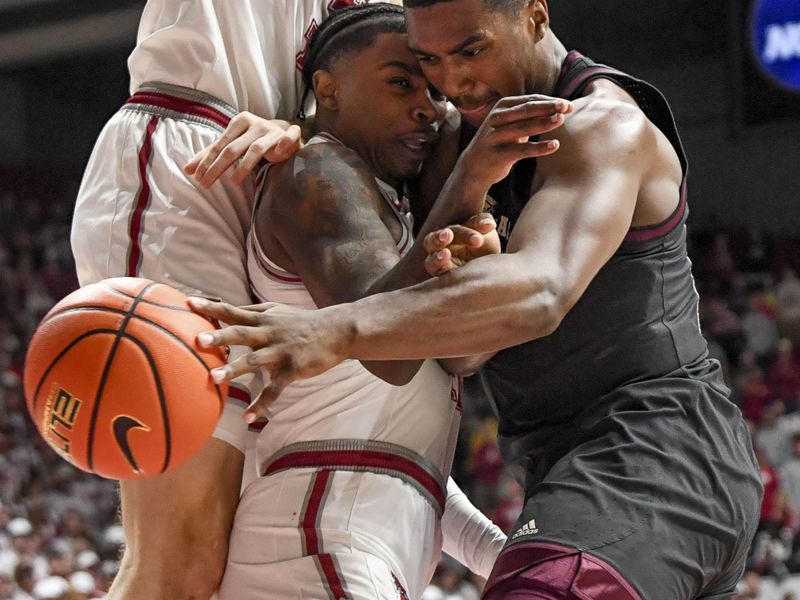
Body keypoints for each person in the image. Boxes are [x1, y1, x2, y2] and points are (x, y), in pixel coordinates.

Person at [190, 0, 764, 597]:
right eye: (429, 60)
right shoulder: (459, 135)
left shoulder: (600, 124)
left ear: (535, 17)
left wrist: (335, 328)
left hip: (657, 446)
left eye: (472, 50)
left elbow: (542, 291)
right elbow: (459, 350)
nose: (452, 81)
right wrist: (290, 130)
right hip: (572, 469)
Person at [213, 5, 568, 598]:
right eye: (401, 82)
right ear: (327, 88)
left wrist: (498, 554)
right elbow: (390, 355)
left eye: (431, 89)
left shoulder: (390, 210)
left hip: (341, 533)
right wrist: (471, 178)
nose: (428, 105)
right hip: (317, 539)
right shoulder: (315, 170)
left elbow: (406, 459)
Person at [68, 1, 393, 597]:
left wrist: (310, 126)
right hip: (191, 154)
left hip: (287, 180)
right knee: (178, 558)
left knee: (214, 562)